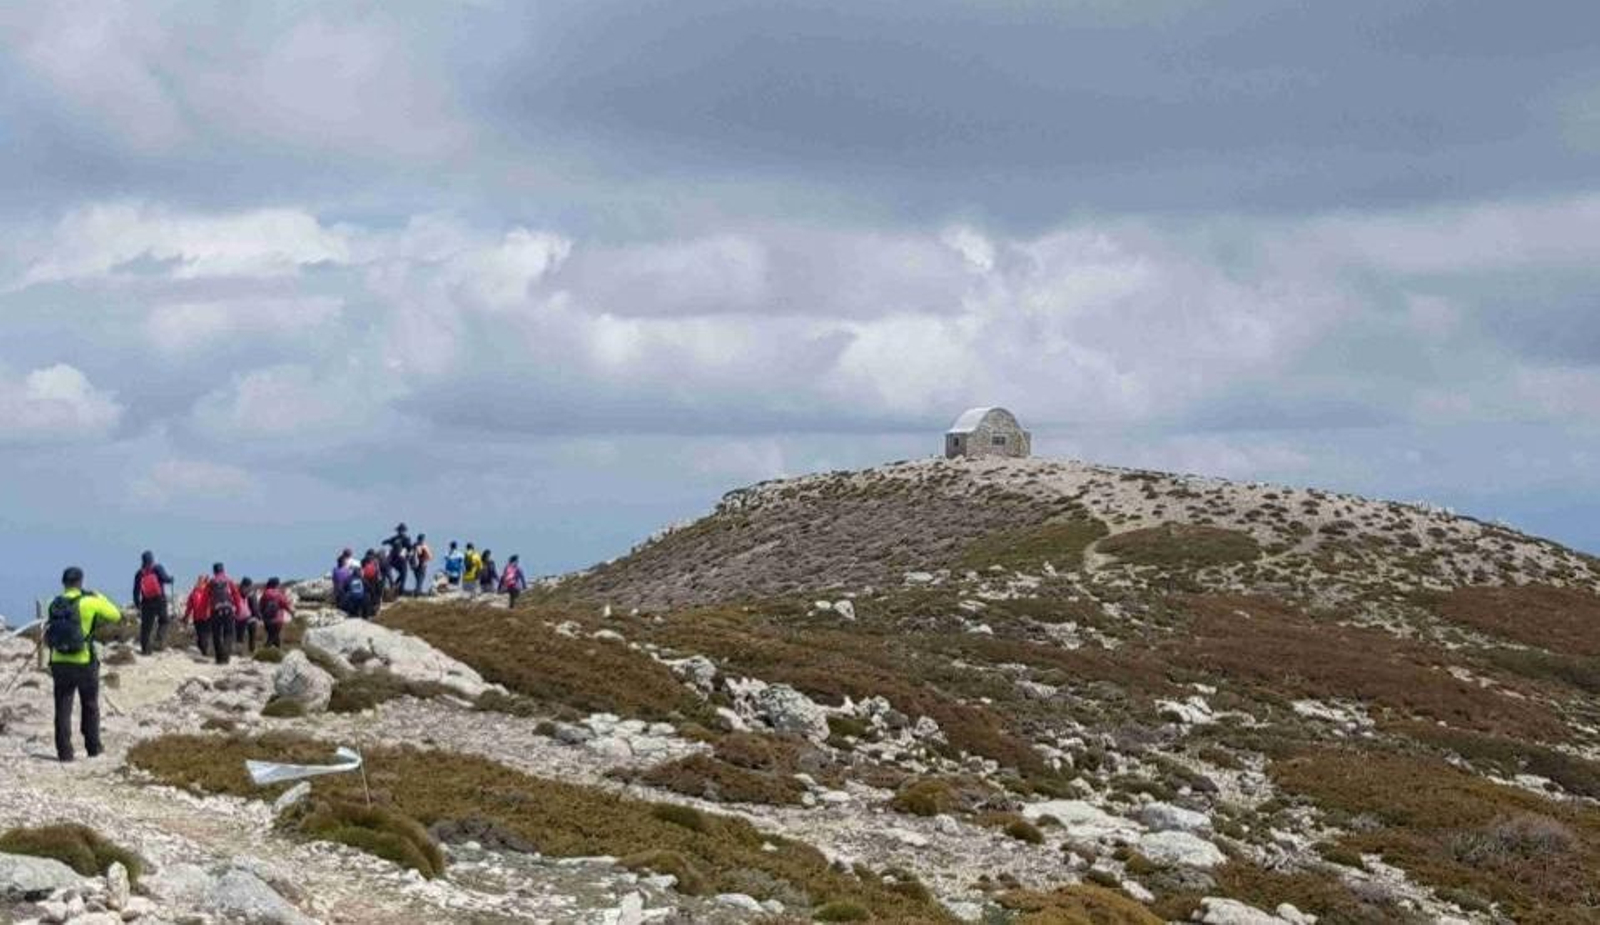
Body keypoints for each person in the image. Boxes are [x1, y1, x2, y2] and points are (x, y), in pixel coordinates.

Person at [45, 567, 123, 762]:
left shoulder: (53, 604)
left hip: (58, 660)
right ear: (80, 581)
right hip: (83, 660)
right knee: (89, 704)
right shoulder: (89, 602)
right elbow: (115, 615)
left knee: (62, 706)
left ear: (64, 583)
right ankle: (93, 747)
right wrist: (99, 596)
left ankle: (64, 752)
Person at [131, 550, 174, 655]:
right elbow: (166, 579)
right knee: (164, 621)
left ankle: (145, 650)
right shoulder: (157, 568)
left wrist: (137, 604)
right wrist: (171, 579)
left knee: (146, 627)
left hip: (146, 602)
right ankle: (159, 642)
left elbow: (136, 591)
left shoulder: (139, 573)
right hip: (159, 600)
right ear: (152, 559)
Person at [204, 563, 244, 665]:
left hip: (215, 611)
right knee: (229, 633)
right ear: (223, 570)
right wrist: (238, 610)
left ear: (214, 571)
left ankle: (219, 657)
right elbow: (236, 596)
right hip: (228, 609)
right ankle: (225, 656)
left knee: (216, 634)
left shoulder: (211, 582)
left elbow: (205, 598)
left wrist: (205, 612)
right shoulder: (229, 581)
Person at [258, 578, 294, 648]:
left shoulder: (265, 593)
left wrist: (261, 617)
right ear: (276, 584)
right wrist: (292, 612)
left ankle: (277, 652)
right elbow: (285, 605)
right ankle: (265, 651)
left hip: (267, 620)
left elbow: (261, 606)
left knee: (275, 636)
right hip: (277, 620)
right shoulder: (279, 594)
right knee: (272, 638)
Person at [182, 575, 211, 655]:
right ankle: (205, 651)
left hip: (197, 618)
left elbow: (189, 607)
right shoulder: (208, 591)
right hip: (207, 617)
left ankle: (203, 650)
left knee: (201, 635)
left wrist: (186, 617)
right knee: (205, 635)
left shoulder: (194, 593)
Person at [235, 578, 260, 654]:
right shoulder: (251, 594)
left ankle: (240, 652)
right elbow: (255, 608)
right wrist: (258, 616)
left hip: (240, 617)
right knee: (250, 635)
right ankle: (251, 651)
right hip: (248, 618)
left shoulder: (237, 593)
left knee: (240, 636)